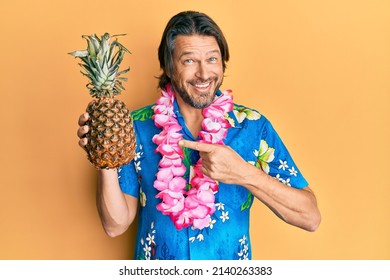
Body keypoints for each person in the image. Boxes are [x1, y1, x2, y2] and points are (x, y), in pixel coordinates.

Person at [77, 11, 321, 260]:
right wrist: (102, 152)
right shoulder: (136, 127)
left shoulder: (253, 127)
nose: (204, 74)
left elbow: (310, 217)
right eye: (189, 61)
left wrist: (243, 173)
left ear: (223, 62)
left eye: (212, 59)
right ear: (169, 67)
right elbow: (115, 225)